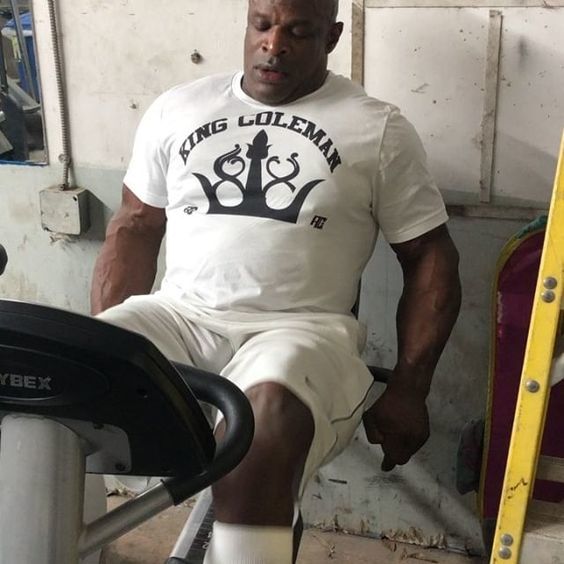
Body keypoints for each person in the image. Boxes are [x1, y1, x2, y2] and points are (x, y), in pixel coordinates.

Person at [91, 0, 461, 562]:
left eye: (299, 31)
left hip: (302, 331)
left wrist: (411, 389)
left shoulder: (377, 128)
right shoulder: (179, 108)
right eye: (262, 25)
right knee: (62, 386)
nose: (273, 44)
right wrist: (107, 344)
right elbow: (135, 227)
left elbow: (429, 254)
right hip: (179, 315)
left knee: (260, 425)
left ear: (332, 37)